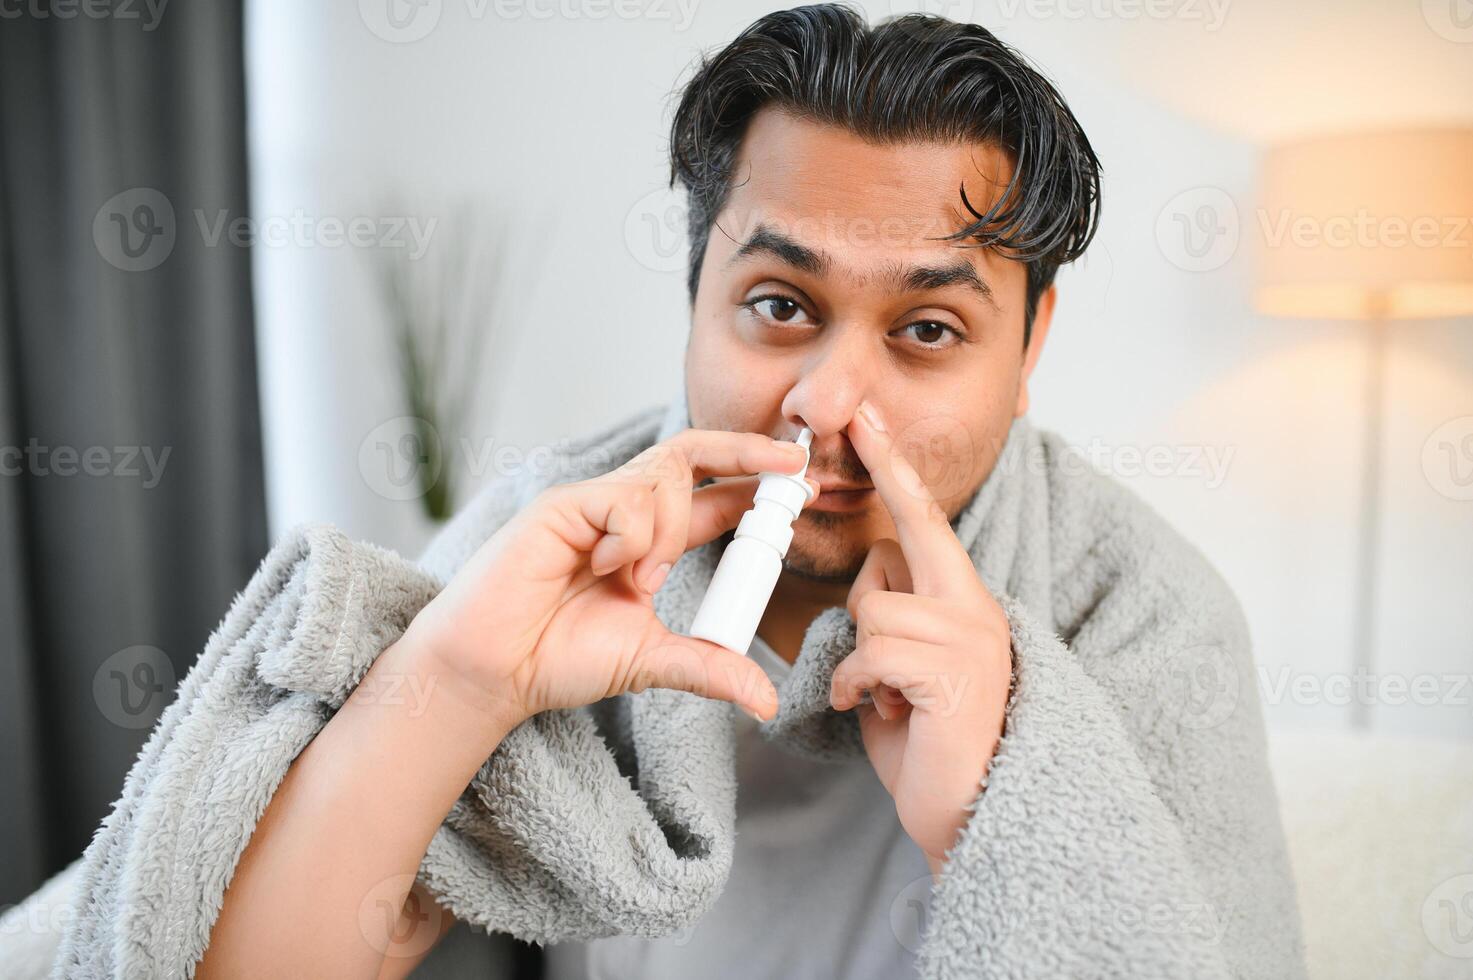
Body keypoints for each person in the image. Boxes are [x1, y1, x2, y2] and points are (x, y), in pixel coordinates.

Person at [199, 6, 1303, 978]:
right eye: (780, 305)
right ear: (695, 301)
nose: (827, 402)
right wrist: (456, 684)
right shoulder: (542, 545)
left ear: (1028, 352)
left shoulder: (1144, 614)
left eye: (927, 330)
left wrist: (988, 816)